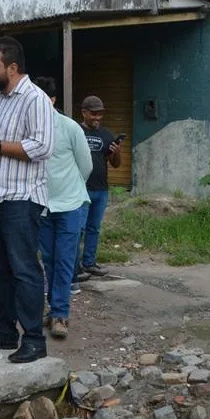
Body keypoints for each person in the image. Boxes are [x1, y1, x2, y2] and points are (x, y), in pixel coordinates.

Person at [0, 36, 54, 364]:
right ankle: (4, 331)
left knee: (24, 269)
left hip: (20, 198)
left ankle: (34, 339)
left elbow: (42, 147)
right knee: (0, 271)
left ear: (13, 67)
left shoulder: (36, 100)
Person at [33, 76, 92, 339]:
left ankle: (60, 314)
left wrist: (70, 191)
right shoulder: (31, 129)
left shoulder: (70, 128)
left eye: (43, 97)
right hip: (43, 206)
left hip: (70, 205)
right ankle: (53, 308)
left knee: (66, 260)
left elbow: (86, 167)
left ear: (53, 100)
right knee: (48, 260)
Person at [75, 94, 121, 282]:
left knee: (94, 228)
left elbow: (116, 164)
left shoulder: (106, 135)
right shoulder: (76, 132)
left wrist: (117, 153)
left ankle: (89, 263)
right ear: (84, 113)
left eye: (100, 114)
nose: (97, 118)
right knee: (78, 228)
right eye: (93, 114)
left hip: (101, 189)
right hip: (80, 189)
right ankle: (74, 266)